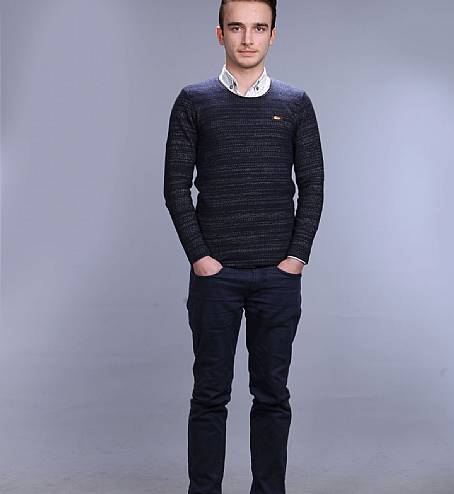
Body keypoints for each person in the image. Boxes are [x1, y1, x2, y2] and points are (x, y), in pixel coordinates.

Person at [163, 1, 324, 492]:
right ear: (220, 34)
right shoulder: (194, 101)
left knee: (272, 395)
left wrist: (296, 258)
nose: (247, 39)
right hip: (216, 276)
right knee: (210, 395)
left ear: (273, 34)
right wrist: (200, 257)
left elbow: (312, 184)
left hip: (277, 277)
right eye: (237, 27)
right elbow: (175, 186)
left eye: (258, 28)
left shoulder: (295, 103)